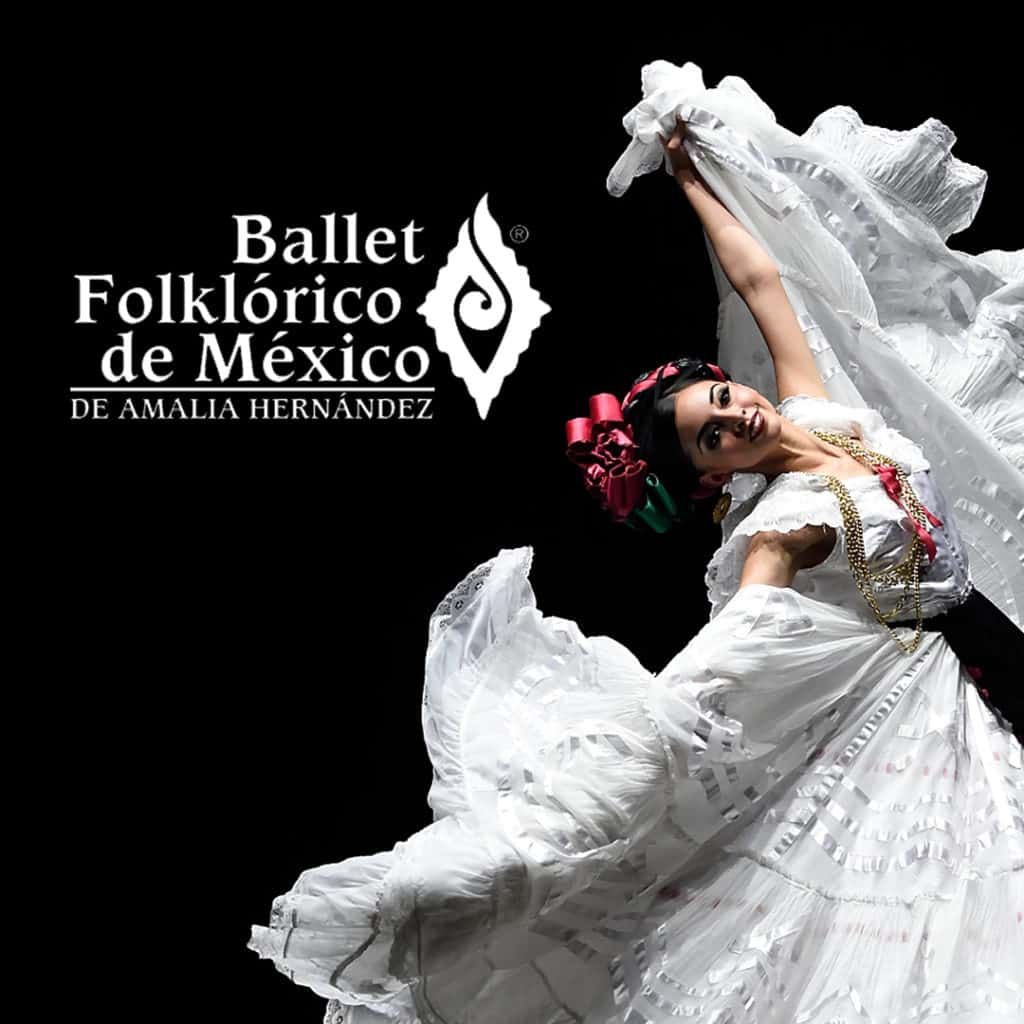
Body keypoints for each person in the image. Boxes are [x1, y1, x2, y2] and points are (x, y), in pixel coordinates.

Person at [248, 63, 1023, 1023]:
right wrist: (579, 802)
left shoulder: (826, 413)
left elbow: (759, 279)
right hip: (918, 704)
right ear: (714, 472)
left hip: (969, 658)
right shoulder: (777, 526)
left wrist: (691, 170)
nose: (736, 415)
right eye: (713, 434)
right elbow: (723, 665)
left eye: (723, 399)